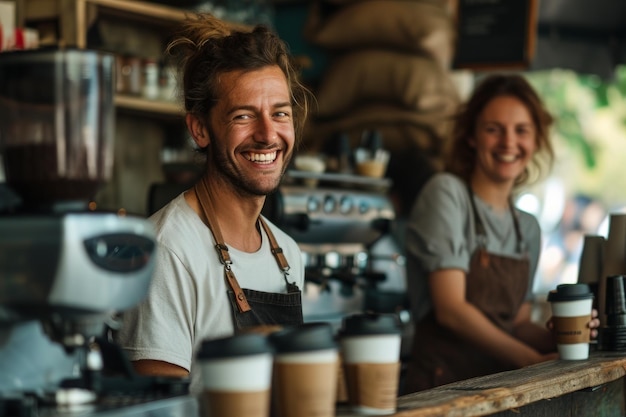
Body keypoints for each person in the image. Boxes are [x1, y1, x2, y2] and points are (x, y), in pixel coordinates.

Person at [114, 13, 313, 394]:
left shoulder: (287, 253)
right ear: (200, 129)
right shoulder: (165, 252)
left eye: (280, 114)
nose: (268, 135)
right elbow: (160, 407)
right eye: (244, 116)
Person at [403, 74, 600, 393]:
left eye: (521, 130)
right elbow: (450, 309)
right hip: (440, 392)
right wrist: (530, 361)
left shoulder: (528, 228)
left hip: (500, 393)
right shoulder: (447, 194)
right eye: (494, 129)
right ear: (471, 137)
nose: (509, 143)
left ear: (536, 140)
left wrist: (565, 336)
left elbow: (518, 323)